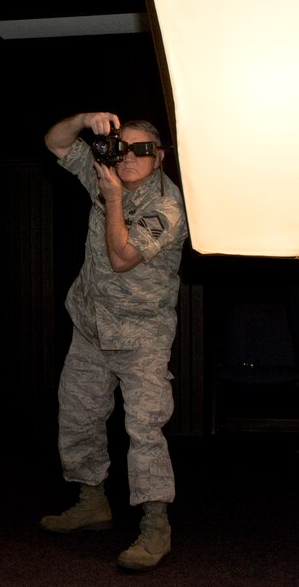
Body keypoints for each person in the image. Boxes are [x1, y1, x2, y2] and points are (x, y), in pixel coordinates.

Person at [38, 112, 188, 571]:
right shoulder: (105, 176)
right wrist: (85, 119)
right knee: (79, 414)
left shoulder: (167, 206)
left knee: (144, 429)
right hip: (91, 327)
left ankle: (155, 524)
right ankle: (92, 502)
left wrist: (114, 200)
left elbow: (122, 257)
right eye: (121, 147)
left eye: (141, 149)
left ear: (158, 157)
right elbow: (55, 141)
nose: (128, 157)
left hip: (141, 335)